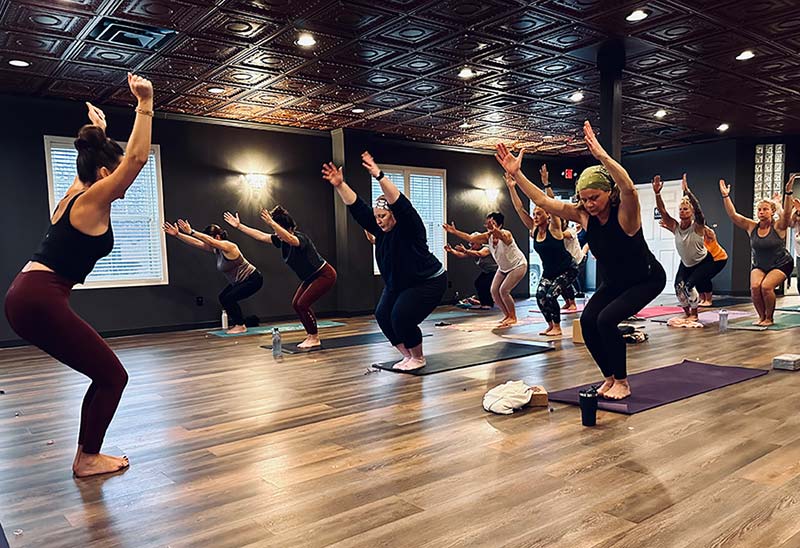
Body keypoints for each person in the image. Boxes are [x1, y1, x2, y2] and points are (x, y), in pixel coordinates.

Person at [4, 75, 153, 477]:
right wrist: (145, 103)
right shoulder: (90, 200)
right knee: (113, 376)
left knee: (104, 375)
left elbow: (91, 162)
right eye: (115, 174)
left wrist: (98, 131)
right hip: (39, 298)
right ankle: (87, 458)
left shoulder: (73, 195)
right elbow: (136, 160)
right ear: (104, 173)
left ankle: (87, 454)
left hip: (25, 294)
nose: (123, 184)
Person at [495, 121, 666, 400]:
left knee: (606, 320)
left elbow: (629, 189)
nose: (589, 204)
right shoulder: (584, 216)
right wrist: (517, 175)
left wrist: (602, 156)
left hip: (646, 280)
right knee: (588, 322)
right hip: (615, 282)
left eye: (594, 197)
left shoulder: (626, 213)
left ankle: (623, 382)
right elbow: (544, 201)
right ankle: (609, 378)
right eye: (584, 199)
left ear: (608, 192)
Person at [321, 151, 446, 371]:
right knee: (382, 315)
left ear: (394, 216)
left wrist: (379, 176)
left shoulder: (410, 227)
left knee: (401, 316)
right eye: (377, 216)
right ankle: (407, 355)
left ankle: (418, 357)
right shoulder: (379, 229)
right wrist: (340, 185)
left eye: (383, 216)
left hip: (427, 281)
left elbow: (400, 204)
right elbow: (357, 208)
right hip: (399, 282)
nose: (378, 221)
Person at [223, 206, 336, 349]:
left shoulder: (300, 239)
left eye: (278, 230)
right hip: (310, 278)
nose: (276, 234)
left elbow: (290, 238)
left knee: (302, 304)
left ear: (289, 229)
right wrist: (239, 226)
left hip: (324, 275)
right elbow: (261, 236)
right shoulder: (281, 240)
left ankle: (314, 337)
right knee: (296, 304)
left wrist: (272, 222)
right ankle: (310, 335)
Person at [505, 170, 578, 336]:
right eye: (534, 214)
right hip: (549, 272)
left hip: (568, 269)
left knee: (551, 296)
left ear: (547, 215)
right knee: (540, 296)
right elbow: (519, 208)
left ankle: (558, 327)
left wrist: (546, 184)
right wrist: (511, 188)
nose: (535, 217)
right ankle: (550, 325)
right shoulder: (534, 230)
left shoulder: (555, 227)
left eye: (539, 214)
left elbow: (552, 203)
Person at [720, 175, 795, 326]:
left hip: (781, 263)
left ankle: (769, 318)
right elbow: (734, 215)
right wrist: (725, 196)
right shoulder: (752, 226)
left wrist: (788, 192)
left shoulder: (778, 226)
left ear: (772, 211)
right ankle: (761, 317)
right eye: (759, 210)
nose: (761, 212)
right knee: (755, 288)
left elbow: (787, 214)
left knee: (766, 287)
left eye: (765, 209)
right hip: (760, 264)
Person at [163, 221, 263, 334]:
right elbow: (197, 242)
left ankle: (240, 326)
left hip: (253, 279)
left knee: (229, 298)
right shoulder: (216, 249)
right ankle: (241, 322)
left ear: (218, 237)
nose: (206, 242)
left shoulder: (229, 246)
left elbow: (209, 241)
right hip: (240, 281)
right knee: (223, 297)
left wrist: (191, 231)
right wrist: (178, 234)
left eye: (208, 238)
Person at [443, 211, 528, 328]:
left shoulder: (506, 234)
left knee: (504, 290)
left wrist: (496, 230)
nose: (489, 226)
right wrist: (455, 232)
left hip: (518, 265)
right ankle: (507, 315)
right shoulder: (488, 237)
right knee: (494, 291)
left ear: (499, 225)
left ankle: (513, 316)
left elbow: (504, 237)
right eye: (488, 224)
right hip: (503, 268)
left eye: (492, 223)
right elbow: (471, 238)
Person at [653, 173, 716, 323]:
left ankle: (694, 314)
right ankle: (687, 313)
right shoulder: (675, 226)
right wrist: (657, 193)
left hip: (703, 262)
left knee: (689, 286)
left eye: (686, 209)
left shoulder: (698, 226)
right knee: (678, 287)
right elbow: (662, 211)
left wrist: (688, 192)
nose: (683, 211)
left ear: (691, 212)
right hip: (686, 263)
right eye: (681, 209)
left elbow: (699, 210)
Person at [444, 234, 497, 309]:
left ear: (479, 242)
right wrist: (451, 251)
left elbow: (480, 254)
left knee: (484, 284)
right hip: (487, 271)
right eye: (470, 243)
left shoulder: (487, 248)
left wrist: (465, 250)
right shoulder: (473, 250)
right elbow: (462, 255)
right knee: (478, 283)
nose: (471, 245)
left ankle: (487, 304)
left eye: (473, 243)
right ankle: (485, 303)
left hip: (496, 271)